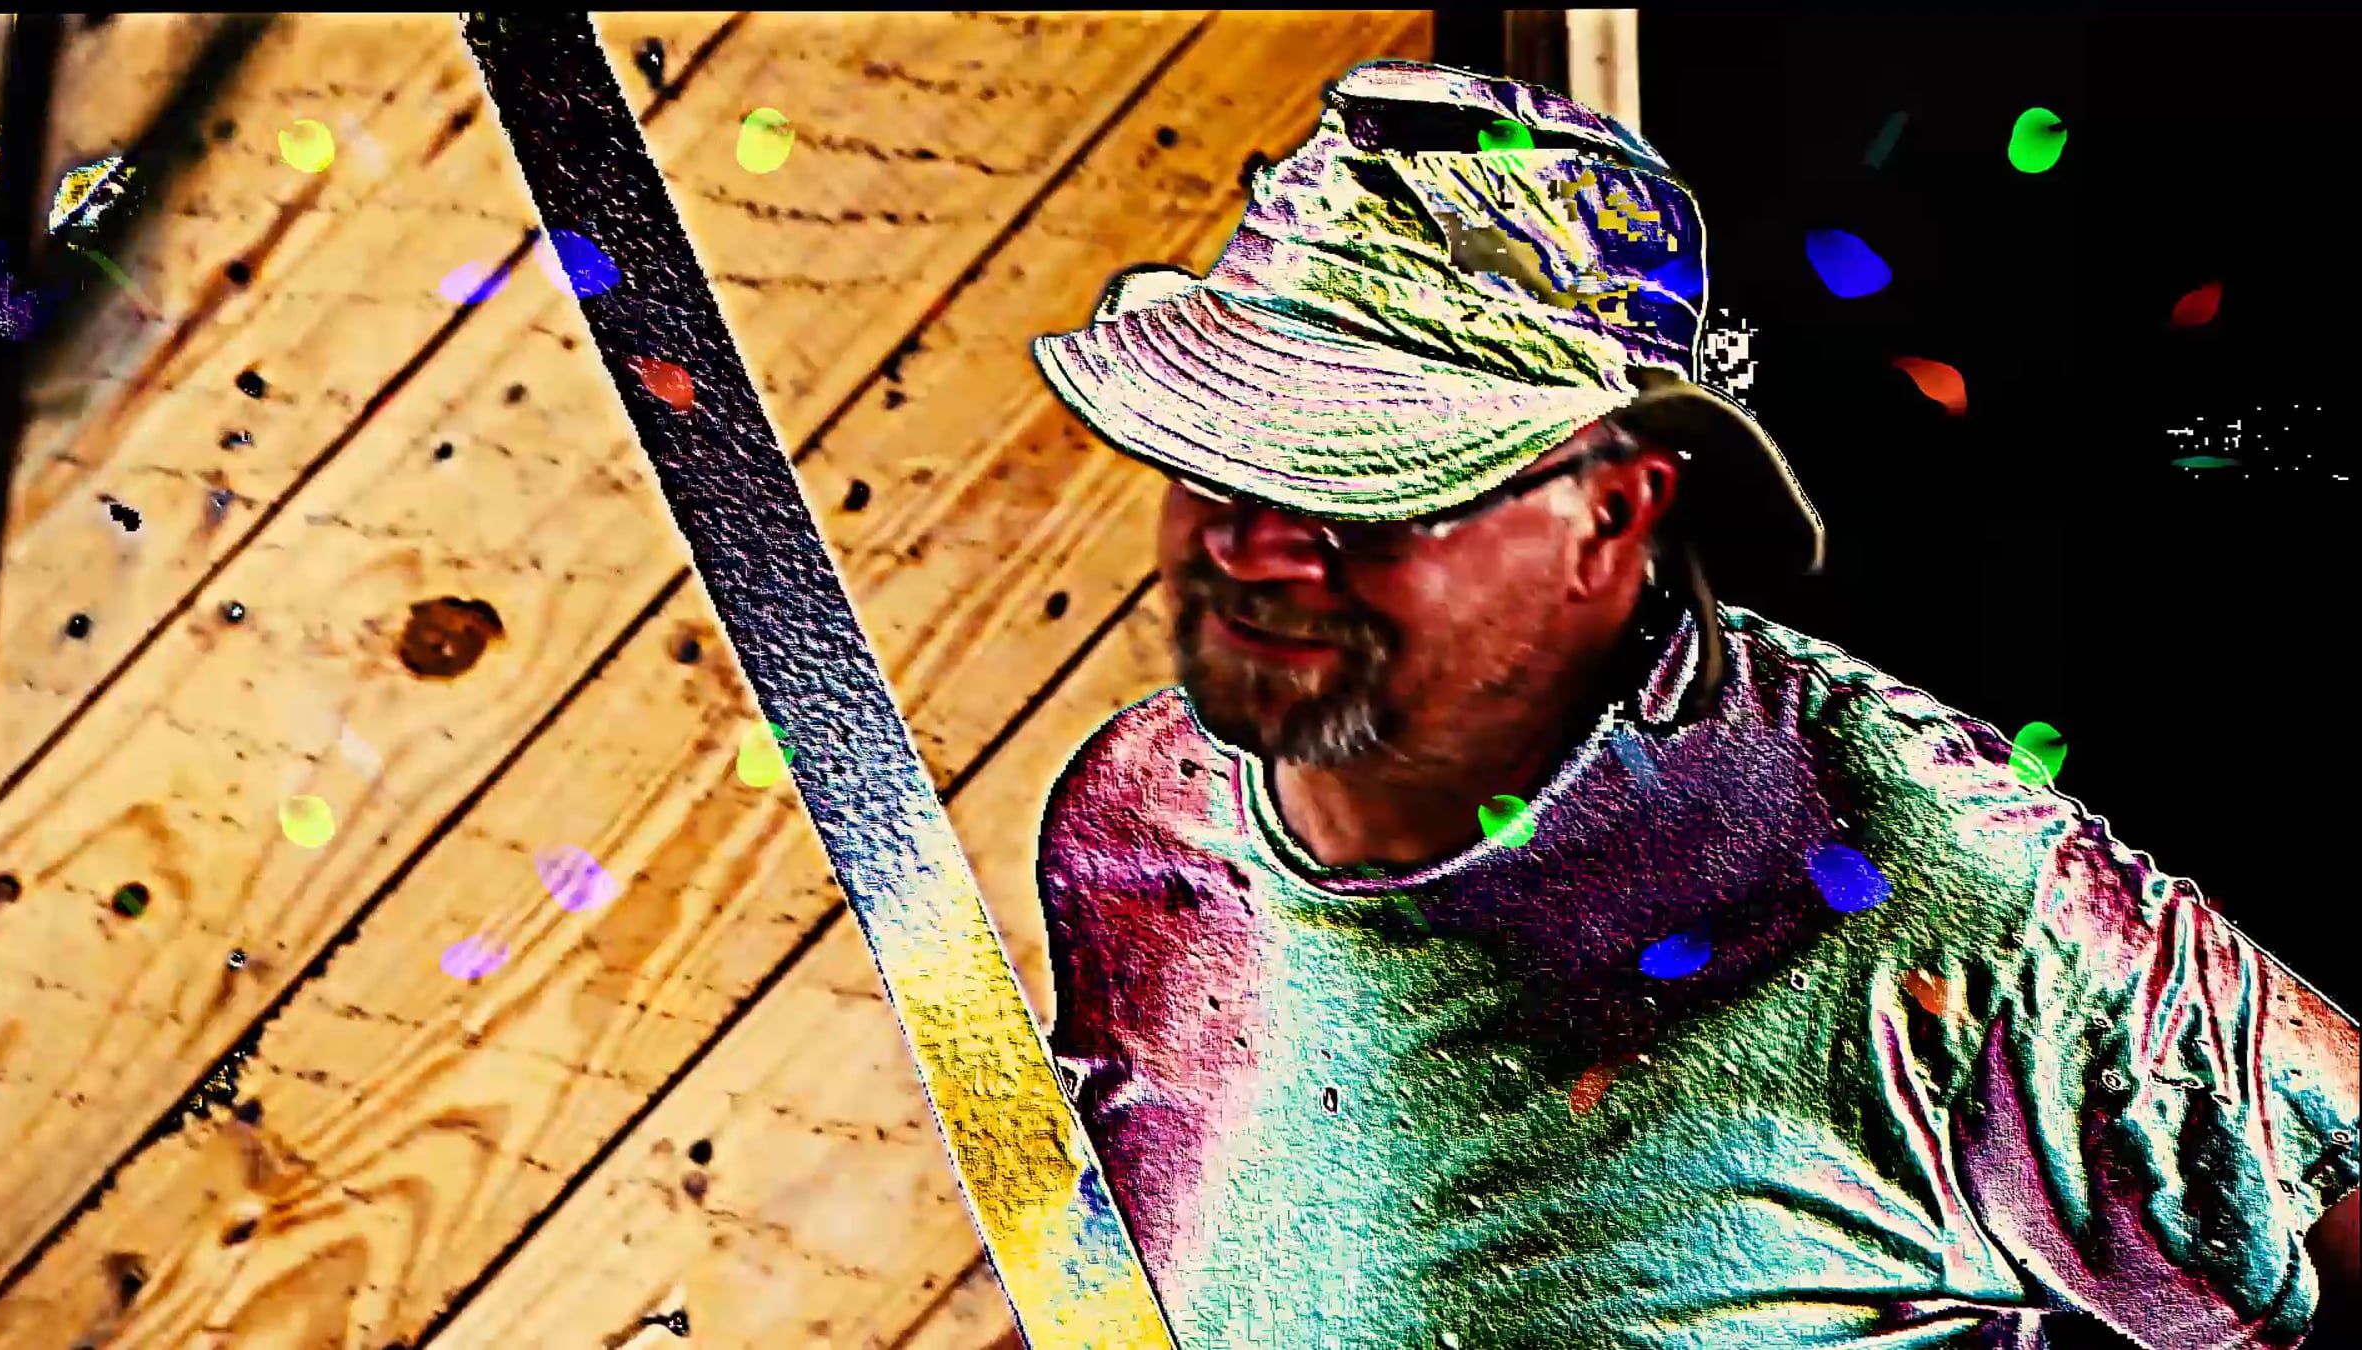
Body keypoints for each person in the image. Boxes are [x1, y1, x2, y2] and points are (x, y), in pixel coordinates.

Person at [981, 60, 2359, 1349]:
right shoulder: (1137, 810)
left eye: (1361, 481)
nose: (1249, 544)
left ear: (1613, 510)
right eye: (1218, 456)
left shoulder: (1939, 894)